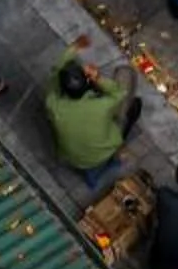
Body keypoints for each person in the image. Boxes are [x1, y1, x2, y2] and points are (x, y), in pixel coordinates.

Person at [44, 38, 143, 194]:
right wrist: (98, 78)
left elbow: (56, 73)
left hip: (70, 157)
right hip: (101, 154)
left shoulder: (53, 103)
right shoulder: (101, 106)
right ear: (88, 82)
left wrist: (73, 49)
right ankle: (109, 164)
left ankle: (93, 177)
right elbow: (118, 93)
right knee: (125, 77)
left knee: (89, 165)